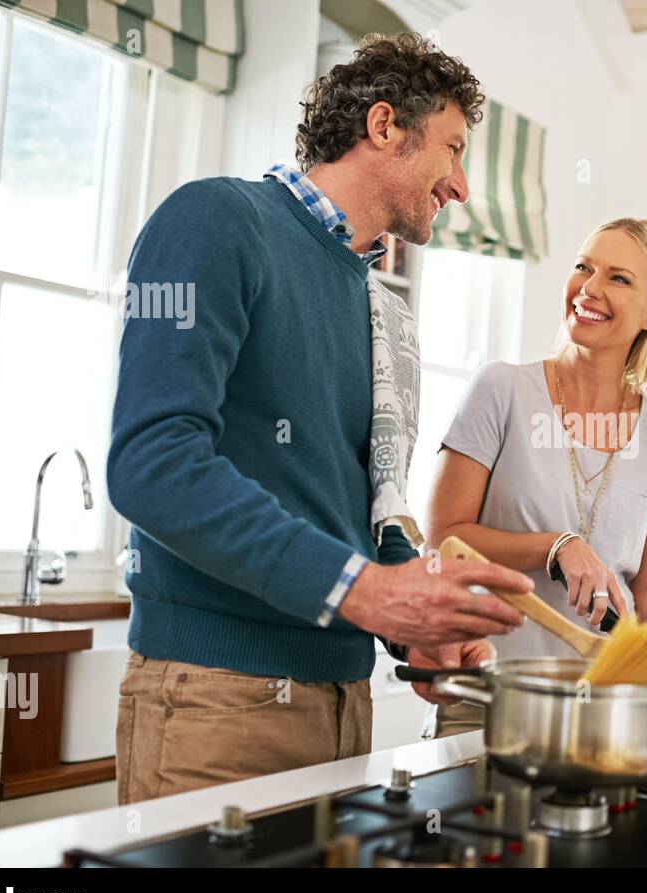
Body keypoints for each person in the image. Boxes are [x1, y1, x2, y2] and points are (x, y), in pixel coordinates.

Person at [107, 33, 530, 805]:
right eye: (454, 148)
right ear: (382, 126)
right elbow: (151, 463)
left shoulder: (383, 310)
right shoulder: (215, 220)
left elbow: (360, 511)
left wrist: (415, 618)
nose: (463, 185)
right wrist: (364, 591)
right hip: (215, 700)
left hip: (344, 707)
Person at [421, 218, 647, 738]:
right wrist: (556, 546)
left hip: (608, 715)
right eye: (584, 267)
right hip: (488, 698)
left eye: (619, 278)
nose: (590, 288)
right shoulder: (502, 389)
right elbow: (444, 537)